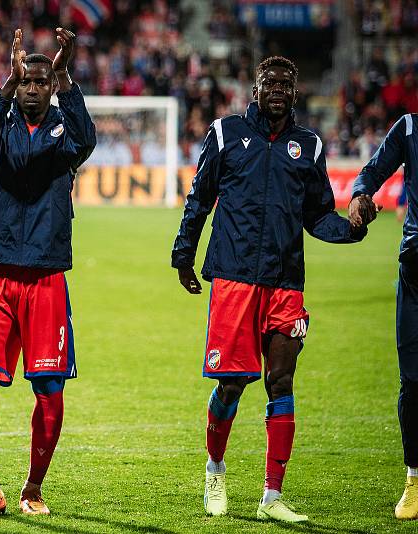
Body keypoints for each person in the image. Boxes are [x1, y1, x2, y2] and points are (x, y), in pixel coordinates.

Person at [172, 56, 372, 523]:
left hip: (285, 282)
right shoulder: (225, 134)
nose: (277, 89)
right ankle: (215, 469)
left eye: (285, 82)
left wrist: (353, 229)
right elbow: (200, 199)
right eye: (269, 82)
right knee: (232, 383)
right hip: (235, 278)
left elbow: (318, 214)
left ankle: (272, 496)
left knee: (280, 381)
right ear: (256, 86)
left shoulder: (310, 146)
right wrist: (184, 255)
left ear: (296, 90)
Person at [0, 27, 96, 518]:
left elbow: (87, 139)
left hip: (44, 275)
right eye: (26, 81)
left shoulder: (64, 135)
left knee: (50, 393)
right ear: (17, 85)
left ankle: (33, 487)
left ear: (51, 86)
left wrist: (68, 80)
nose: (33, 88)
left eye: (42, 81)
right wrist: (3, 86)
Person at [350, 113, 418, 520]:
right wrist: (360, 193)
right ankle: (414, 480)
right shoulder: (409, 128)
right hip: (416, 271)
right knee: (412, 382)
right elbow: (374, 170)